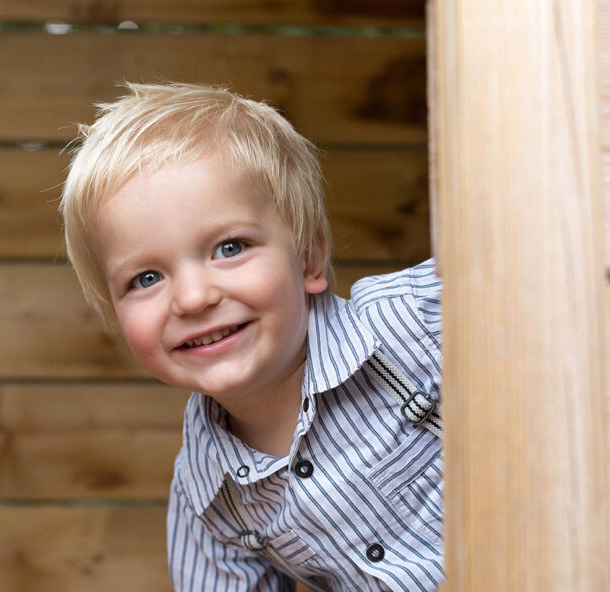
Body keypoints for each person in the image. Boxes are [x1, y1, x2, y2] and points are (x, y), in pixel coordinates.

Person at [59, 82, 444, 592]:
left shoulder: (417, 319)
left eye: (229, 247)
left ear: (308, 257)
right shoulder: (206, 494)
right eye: (146, 278)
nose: (193, 298)